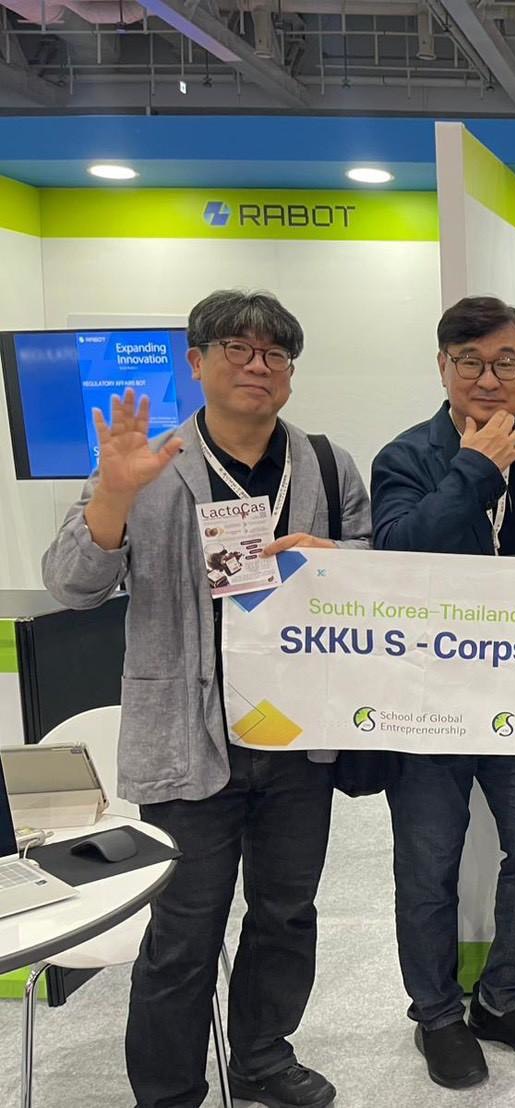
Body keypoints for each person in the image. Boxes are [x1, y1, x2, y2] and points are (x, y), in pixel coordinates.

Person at [42, 290, 371, 1108]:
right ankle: (168, 1093)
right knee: (183, 932)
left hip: (294, 737)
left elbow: (371, 577)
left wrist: (333, 562)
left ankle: (262, 1056)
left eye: (275, 354)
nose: (258, 366)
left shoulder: (326, 464)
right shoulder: (147, 465)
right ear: (196, 362)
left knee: (286, 914)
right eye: (237, 348)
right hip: (186, 741)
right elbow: (72, 586)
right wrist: (112, 497)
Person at [371, 296, 515, 1090]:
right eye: (469, 361)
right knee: (427, 868)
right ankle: (437, 1015)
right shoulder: (407, 456)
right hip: (427, 702)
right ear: (442, 366)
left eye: (506, 361)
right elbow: (397, 553)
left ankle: (503, 998)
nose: (488, 377)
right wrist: (474, 469)